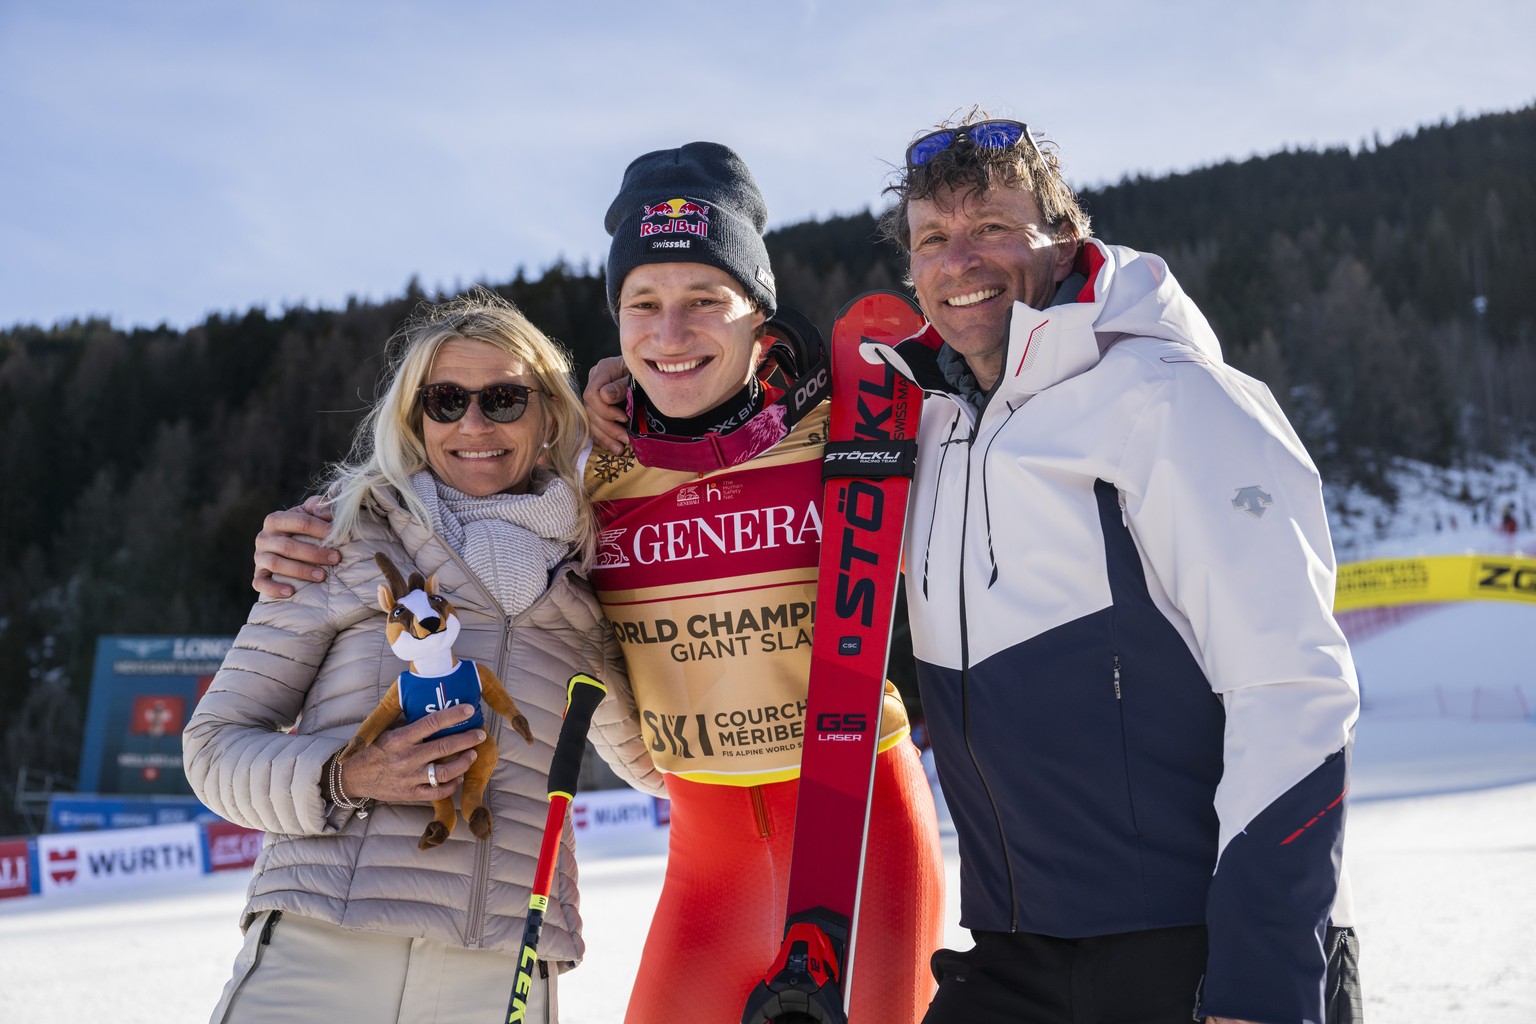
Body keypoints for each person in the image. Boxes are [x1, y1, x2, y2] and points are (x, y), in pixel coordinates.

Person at [251, 145, 944, 1024]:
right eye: (642, 304)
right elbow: (454, 491)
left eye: (705, 301)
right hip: (706, 857)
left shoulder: (845, 427)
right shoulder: (587, 473)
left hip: (863, 828)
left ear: (758, 318)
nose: (670, 332)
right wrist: (314, 526)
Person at [852, 113, 1361, 1024]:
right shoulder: (929, 424)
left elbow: (1293, 686)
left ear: (1064, 240)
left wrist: (1264, 975)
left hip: (1199, 941)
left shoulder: (1169, 396)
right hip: (1014, 949)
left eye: (993, 227)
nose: (958, 260)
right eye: (934, 237)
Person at [186, 292, 657, 1024]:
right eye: (446, 401)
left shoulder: (587, 584)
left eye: (503, 399)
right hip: (324, 945)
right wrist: (344, 775)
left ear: (548, 416)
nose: (474, 424)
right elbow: (212, 749)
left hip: (499, 962)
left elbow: (664, 768)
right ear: (416, 418)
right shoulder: (338, 542)